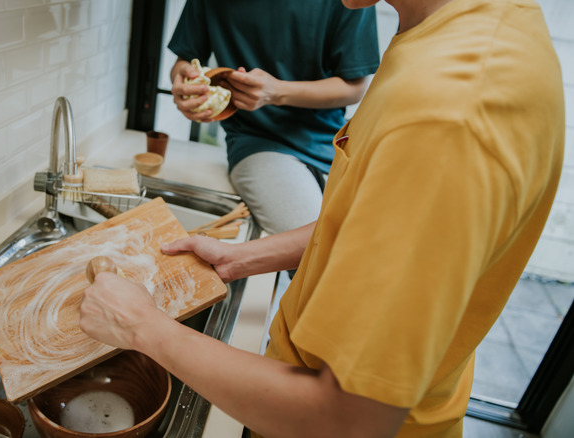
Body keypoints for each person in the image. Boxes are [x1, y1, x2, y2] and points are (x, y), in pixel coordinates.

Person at [81, 0, 565, 436]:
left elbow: (348, 419)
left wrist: (143, 328)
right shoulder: (458, 35)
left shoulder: (448, 112)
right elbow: (367, 222)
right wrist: (241, 258)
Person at [168, 0, 380, 235]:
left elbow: (355, 87)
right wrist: (185, 83)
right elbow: (184, 61)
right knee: (322, 243)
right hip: (258, 142)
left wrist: (277, 92)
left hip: (337, 145)